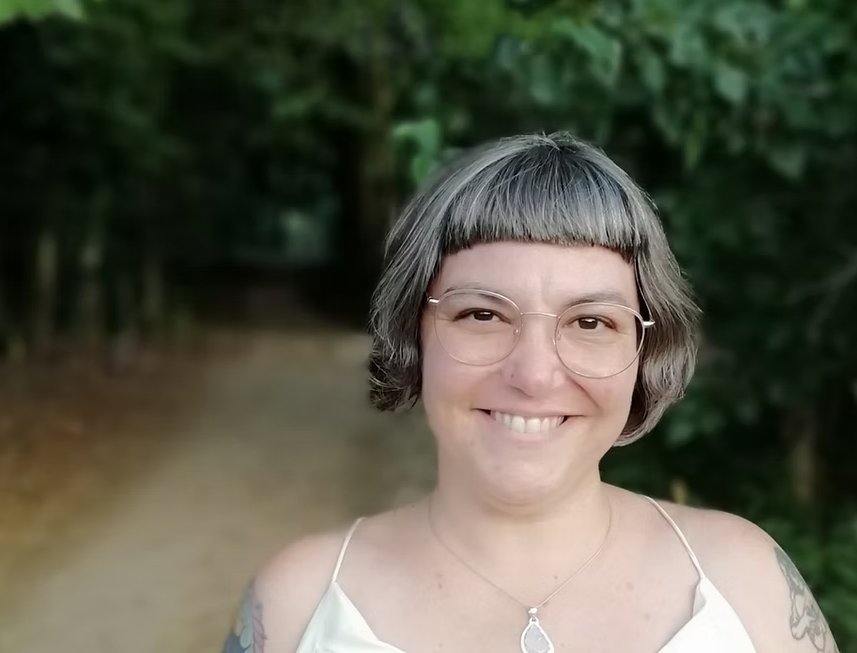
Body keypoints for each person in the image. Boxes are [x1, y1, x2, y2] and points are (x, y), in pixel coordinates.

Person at [222, 133, 840, 653]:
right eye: (483, 317)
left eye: (591, 323)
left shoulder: (748, 587)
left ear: (644, 350)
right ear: (415, 333)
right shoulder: (295, 606)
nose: (536, 374)